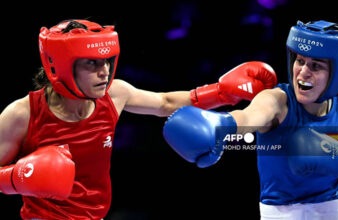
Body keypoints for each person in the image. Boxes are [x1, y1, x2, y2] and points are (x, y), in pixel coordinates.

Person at [0, 19, 277, 219]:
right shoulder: (22, 114)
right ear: (60, 66)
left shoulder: (115, 95)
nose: (104, 71)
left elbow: (165, 102)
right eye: (92, 63)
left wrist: (221, 93)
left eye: (107, 61)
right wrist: (16, 178)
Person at [163, 20, 338, 219]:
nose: (302, 72)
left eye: (316, 66)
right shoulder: (278, 100)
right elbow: (248, 116)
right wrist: (220, 127)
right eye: (299, 60)